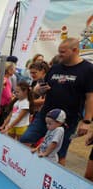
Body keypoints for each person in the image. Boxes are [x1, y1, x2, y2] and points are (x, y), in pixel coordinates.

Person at [20, 38, 93, 166]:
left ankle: (55, 181)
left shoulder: (88, 69)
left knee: (59, 153)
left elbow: (90, 97)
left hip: (67, 120)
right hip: (45, 115)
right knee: (25, 140)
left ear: (75, 50)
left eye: (63, 52)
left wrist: (86, 121)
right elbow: (41, 89)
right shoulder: (55, 68)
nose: (59, 55)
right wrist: (39, 90)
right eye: (59, 51)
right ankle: (25, 169)